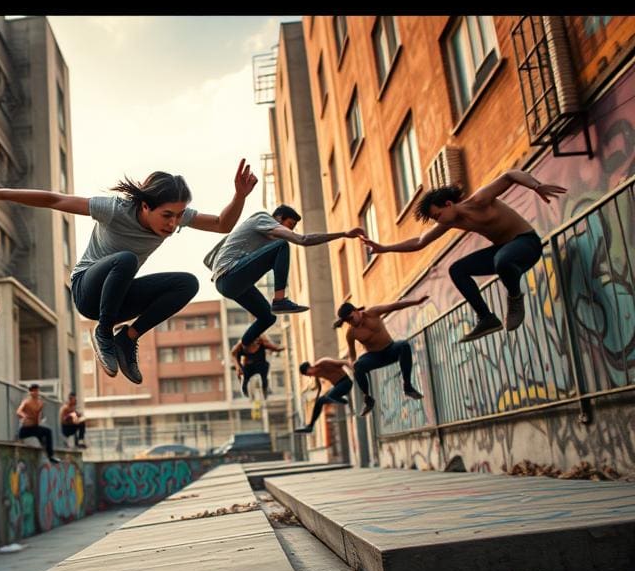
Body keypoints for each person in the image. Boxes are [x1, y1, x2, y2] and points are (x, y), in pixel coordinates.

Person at [0, 160, 258, 384]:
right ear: (144, 206)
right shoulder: (115, 208)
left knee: (187, 283)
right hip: (87, 291)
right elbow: (55, 199)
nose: (172, 224)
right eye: (166, 215)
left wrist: (240, 196)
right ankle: (103, 335)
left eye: (178, 216)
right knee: (125, 259)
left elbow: (222, 225)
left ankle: (127, 338)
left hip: (118, 298)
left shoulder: (176, 218)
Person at [360, 171, 566, 342]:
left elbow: (510, 175)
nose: (438, 222)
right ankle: (486, 318)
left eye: (437, 215)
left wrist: (536, 186)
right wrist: (384, 248)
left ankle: (514, 298)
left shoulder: (480, 200)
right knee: (457, 269)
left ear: (448, 204)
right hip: (505, 251)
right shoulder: (449, 222)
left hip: (527, 244)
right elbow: (420, 241)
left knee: (501, 260)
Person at [207, 204, 364, 347]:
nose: (290, 232)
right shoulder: (263, 219)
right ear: (278, 218)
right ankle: (280, 300)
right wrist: (343, 234)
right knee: (282, 245)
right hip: (230, 275)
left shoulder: (263, 236)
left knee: (268, 317)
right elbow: (303, 239)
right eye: (290, 226)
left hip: (229, 284)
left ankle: (245, 345)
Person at [334, 297, 429, 417]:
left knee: (404, 345)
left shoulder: (373, 312)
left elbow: (394, 306)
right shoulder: (351, 333)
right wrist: (352, 363)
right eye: (347, 321)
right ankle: (368, 399)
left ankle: (408, 386)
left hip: (390, 350)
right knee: (358, 365)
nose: (351, 322)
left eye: (351, 318)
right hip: (374, 357)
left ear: (356, 310)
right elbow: (352, 354)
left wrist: (416, 301)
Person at [294, 357, 354, 433]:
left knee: (330, 396)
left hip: (346, 382)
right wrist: (317, 401)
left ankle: (345, 401)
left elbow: (344, 362)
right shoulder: (316, 374)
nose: (311, 376)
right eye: (308, 376)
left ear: (310, 367)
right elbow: (319, 387)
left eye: (309, 373)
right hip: (338, 387)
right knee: (320, 401)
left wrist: (354, 370)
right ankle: (310, 426)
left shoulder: (323, 363)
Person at [17, 383, 60, 463]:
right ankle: (43, 448)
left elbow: (37, 421)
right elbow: (19, 411)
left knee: (47, 432)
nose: (35, 393)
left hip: (34, 427)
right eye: (33, 391)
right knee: (37, 433)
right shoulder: (26, 402)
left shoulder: (39, 403)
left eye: (36, 391)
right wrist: (24, 416)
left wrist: (38, 412)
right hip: (25, 429)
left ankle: (50, 456)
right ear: (30, 392)